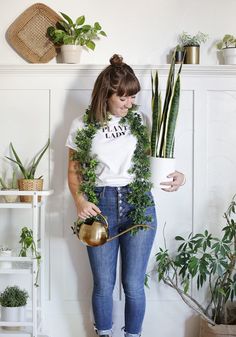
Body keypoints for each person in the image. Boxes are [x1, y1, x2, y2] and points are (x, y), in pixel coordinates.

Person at [66, 54, 185, 337]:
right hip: (99, 205)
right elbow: (73, 172)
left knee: (133, 284)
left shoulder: (140, 121)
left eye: (132, 97)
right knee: (103, 283)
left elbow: (156, 160)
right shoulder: (81, 125)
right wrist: (80, 201)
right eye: (124, 98)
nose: (130, 103)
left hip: (139, 204)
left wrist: (179, 175)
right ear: (106, 95)